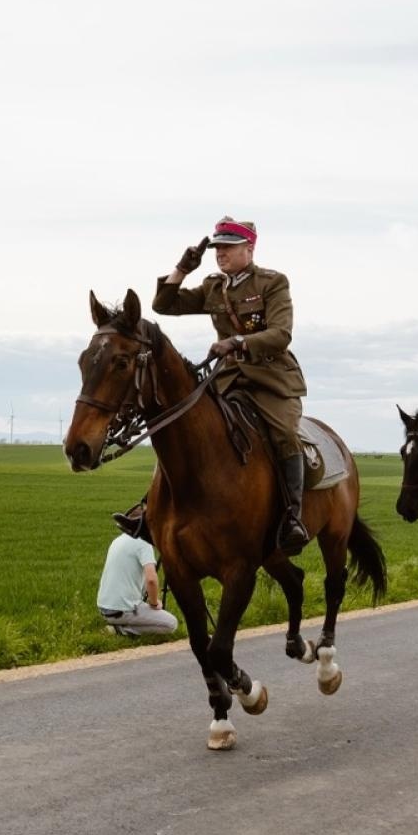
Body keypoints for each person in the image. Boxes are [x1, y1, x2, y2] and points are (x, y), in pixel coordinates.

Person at [115, 216, 311, 554]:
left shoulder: (273, 283)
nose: (220, 253)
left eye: (228, 247)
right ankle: (152, 510)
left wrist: (236, 341)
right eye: (217, 247)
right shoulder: (213, 286)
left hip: (271, 381)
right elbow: (164, 305)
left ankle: (293, 516)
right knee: (185, 431)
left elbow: (282, 334)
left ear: (248, 248)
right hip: (227, 380)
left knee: (285, 435)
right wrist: (182, 269)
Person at [96, 533, 177, 637]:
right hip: (122, 610)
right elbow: (151, 580)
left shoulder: (118, 540)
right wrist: (154, 603)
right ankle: (121, 630)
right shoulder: (143, 544)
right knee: (171, 624)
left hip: (104, 607)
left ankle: (120, 624)